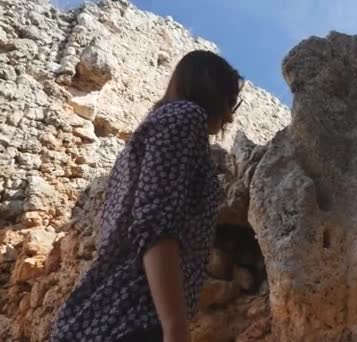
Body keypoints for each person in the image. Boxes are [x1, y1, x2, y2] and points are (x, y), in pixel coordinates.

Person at [51, 50, 244, 342]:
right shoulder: (186, 118)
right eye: (231, 100)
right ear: (213, 90)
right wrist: (175, 325)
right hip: (130, 319)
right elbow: (155, 225)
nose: (231, 113)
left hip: (103, 317)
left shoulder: (151, 130)